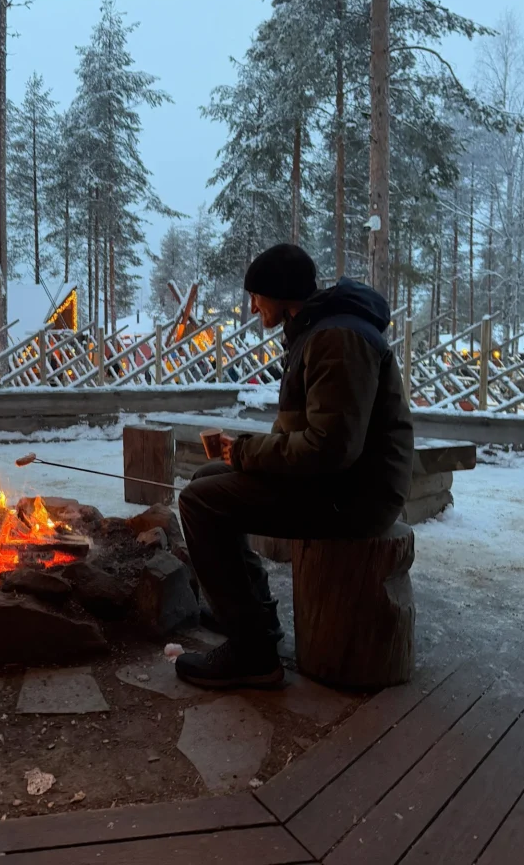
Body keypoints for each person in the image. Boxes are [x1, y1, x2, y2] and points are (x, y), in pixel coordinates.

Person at [176, 244, 414, 690]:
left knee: (200, 504)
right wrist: (244, 454)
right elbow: (312, 429)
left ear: (281, 294)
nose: (252, 306)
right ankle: (254, 618)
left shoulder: (337, 340)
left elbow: (331, 448)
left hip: (356, 496)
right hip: (339, 483)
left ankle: (252, 654)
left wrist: (248, 453)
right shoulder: (318, 330)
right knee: (206, 480)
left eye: (256, 295)